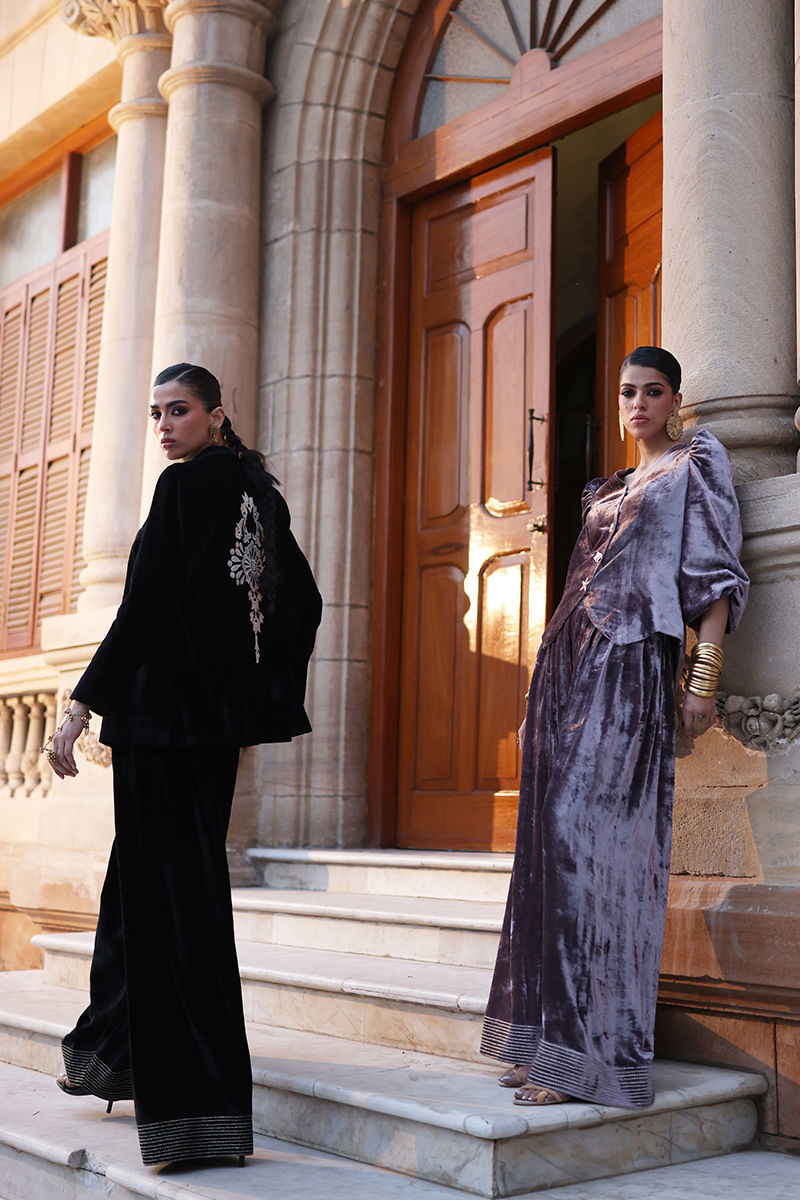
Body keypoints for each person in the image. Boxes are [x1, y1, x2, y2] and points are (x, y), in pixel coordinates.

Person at [45, 363, 322, 1166]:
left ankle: (194, 1112)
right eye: (157, 413)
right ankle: (112, 1051)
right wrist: (245, 695)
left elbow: (141, 612)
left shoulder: (183, 488)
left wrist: (79, 706)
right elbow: (300, 605)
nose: (166, 427)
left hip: (160, 731)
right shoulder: (257, 491)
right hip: (203, 737)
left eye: (181, 411)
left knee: (171, 912)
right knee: (144, 896)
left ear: (216, 415)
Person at [480, 346, 749, 1109]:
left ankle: (590, 1056)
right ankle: (542, 1042)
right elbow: (577, 585)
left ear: (675, 400)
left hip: (631, 665)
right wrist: (536, 697)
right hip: (566, 663)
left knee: (594, 852)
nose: (638, 404)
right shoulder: (608, 488)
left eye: (653, 392)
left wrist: (703, 677)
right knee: (546, 849)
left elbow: (715, 575)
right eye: (628, 391)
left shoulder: (694, 467)